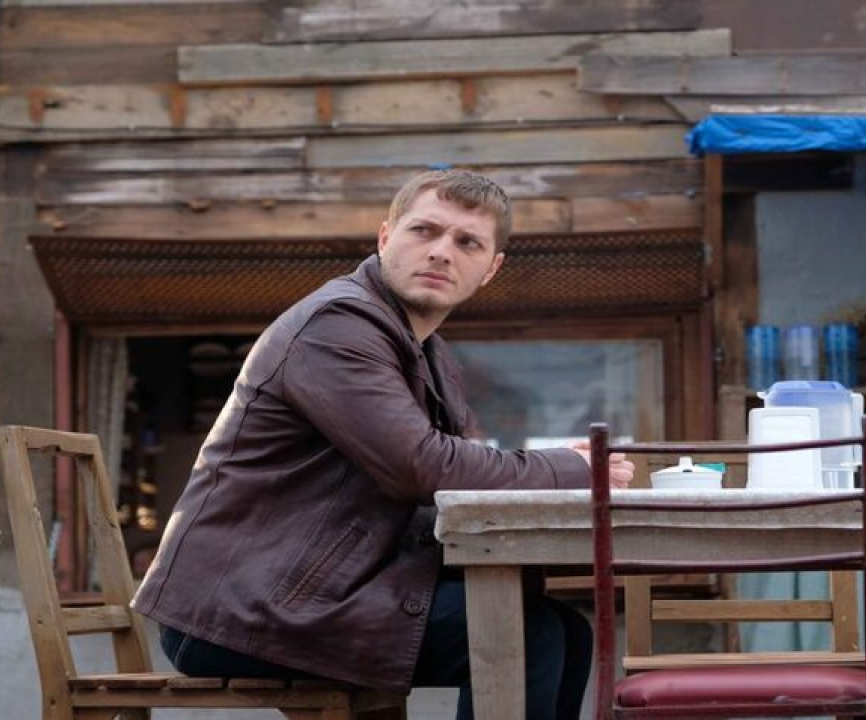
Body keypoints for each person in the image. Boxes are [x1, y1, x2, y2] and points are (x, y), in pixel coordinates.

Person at [131, 169, 636, 719]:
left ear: (490, 270)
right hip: (238, 605)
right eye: (425, 231)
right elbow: (421, 467)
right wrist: (567, 468)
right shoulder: (337, 325)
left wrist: (557, 466)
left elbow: (463, 470)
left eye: (467, 242)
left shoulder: (429, 353)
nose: (441, 252)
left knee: (566, 630)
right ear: (385, 237)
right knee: (525, 634)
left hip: (320, 589)